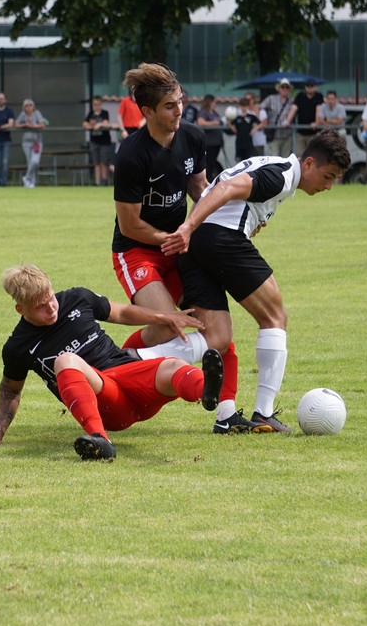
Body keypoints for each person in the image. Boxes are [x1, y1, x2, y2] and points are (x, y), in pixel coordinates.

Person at [161, 129, 351, 433]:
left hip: (200, 244)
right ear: (309, 163)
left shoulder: (273, 166)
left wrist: (227, 223)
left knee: (217, 335)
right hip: (220, 240)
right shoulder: (282, 175)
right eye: (328, 177)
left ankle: (132, 358)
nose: (328, 186)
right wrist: (189, 226)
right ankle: (264, 413)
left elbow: (220, 188)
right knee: (275, 317)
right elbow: (227, 188)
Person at [110, 63, 250, 433]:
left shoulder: (193, 137)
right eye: (170, 106)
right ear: (148, 111)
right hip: (137, 251)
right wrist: (171, 238)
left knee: (215, 327)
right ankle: (117, 364)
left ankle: (227, 415)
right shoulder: (131, 155)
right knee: (167, 327)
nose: (179, 111)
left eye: (180, 102)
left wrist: (231, 221)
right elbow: (129, 224)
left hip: (181, 245)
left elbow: (200, 189)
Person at [0, 264, 224, 461]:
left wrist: (165, 317)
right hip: (106, 401)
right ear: (20, 310)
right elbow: (10, 389)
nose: (51, 308)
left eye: (50, 298)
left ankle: (205, 390)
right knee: (65, 360)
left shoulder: (76, 298)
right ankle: (100, 440)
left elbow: (121, 312)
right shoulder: (18, 346)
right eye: (40, 306)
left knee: (173, 365)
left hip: (130, 379)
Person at [285, 78, 324, 155]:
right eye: (307, 85)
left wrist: (316, 122)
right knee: (299, 155)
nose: (309, 87)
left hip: (313, 133)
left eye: (311, 85)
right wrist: (287, 121)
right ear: (305, 87)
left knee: (313, 155)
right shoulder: (300, 96)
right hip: (300, 133)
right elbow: (293, 108)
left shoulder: (319, 96)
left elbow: (319, 109)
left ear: (315, 87)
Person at [83, 95, 116, 186]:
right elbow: (85, 123)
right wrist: (89, 126)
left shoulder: (104, 113)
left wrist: (99, 125)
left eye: (98, 104)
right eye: (94, 104)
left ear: (101, 104)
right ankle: (97, 182)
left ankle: (104, 181)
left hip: (104, 141)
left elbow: (106, 122)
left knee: (104, 162)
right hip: (94, 141)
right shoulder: (91, 113)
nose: (96, 106)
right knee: (96, 162)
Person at [15, 98, 47, 188]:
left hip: (37, 142)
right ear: (24, 107)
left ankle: (27, 178)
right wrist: (24, 125)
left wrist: (32, 126)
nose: (29, 107)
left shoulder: (37, 113)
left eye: (30, 105)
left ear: (33, 106)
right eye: (26, 106)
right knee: (29, 162)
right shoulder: (23, 115)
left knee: (35, 161)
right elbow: (16, 124)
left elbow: (43, 124)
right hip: (26, 143)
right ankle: (31, 183)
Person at [261, 78, 294, 158]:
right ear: (279, 88)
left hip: (287, 136)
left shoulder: (292, 101)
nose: (284, 89)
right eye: (282, 87)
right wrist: (263, 121)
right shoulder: (271, 98)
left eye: (287, 87)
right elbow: (260, 108)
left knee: (285, 160)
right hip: (274, 136)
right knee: (274, 159)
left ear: (289, 89)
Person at [196, 94, 225, 182]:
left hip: (217, 142)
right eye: (214, 102)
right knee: (208, 163)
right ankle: (207, 180)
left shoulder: (215, 113)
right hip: (209, 143)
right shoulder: (204, 112)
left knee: (212, 163)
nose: (215, 104)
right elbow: (200, 122)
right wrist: (213, 123)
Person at [227, 97, 256, 163]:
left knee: (248, 161)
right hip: (239, 143)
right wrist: (229, 124)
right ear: (240, 106)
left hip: (248, 143)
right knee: (240, 162)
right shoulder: (237, 118)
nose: (243, 108)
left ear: (247, 106)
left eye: (245, 106)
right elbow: (235, 131)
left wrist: (254, 129)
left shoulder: (251, 117)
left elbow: (261, 123)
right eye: (242, 106)